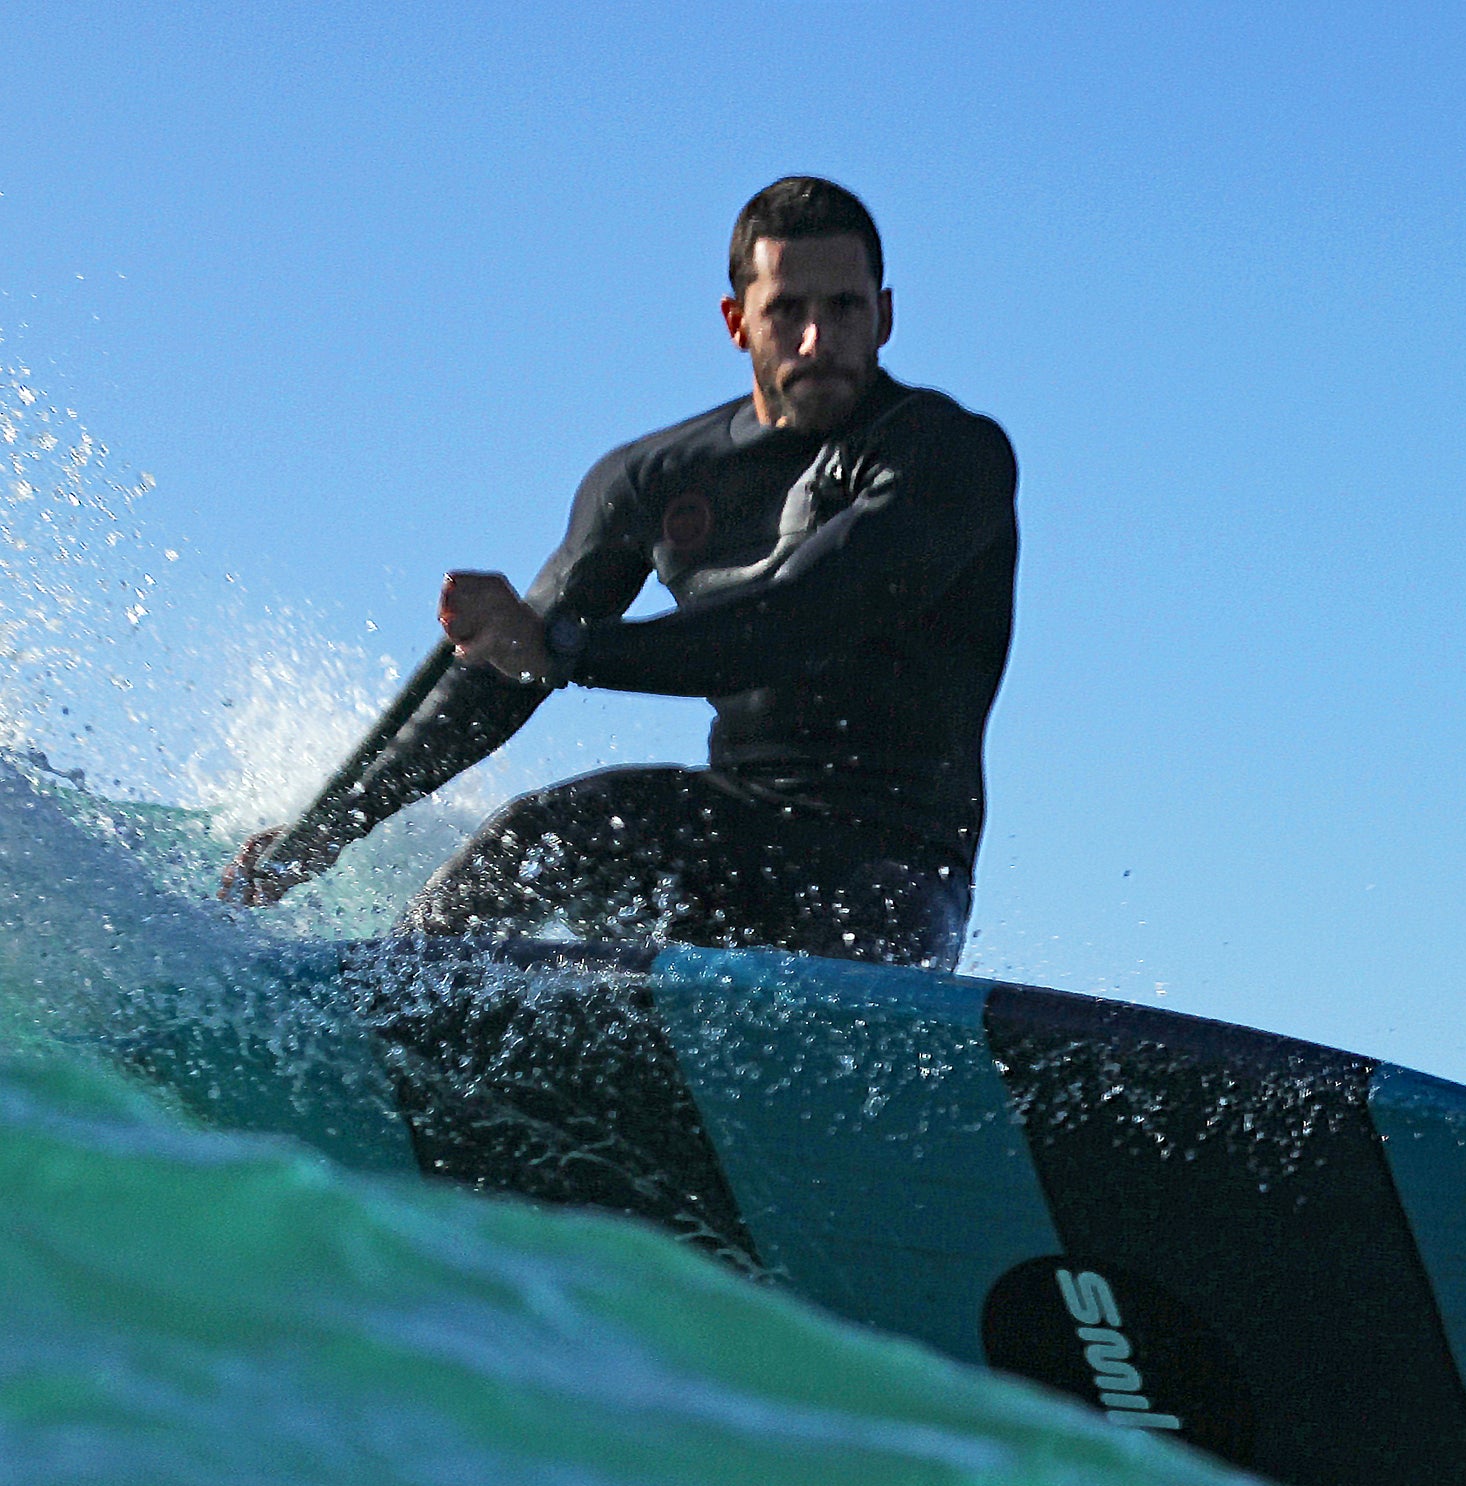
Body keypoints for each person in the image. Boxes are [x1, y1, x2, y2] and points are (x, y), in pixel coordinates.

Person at [220, 176, 1018, 971]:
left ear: (884, 315)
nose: (816, 339)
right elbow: (504, 673)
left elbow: (794, 618)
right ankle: (392, 1013)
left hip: (896, 869)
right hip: (736, 831)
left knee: (858, 920)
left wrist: (567, 647)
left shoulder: (950, 458)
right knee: (531, 840)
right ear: (738, 323)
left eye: (843, 308)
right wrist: (329, 824)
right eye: (787, 311)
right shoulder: (652, 480)